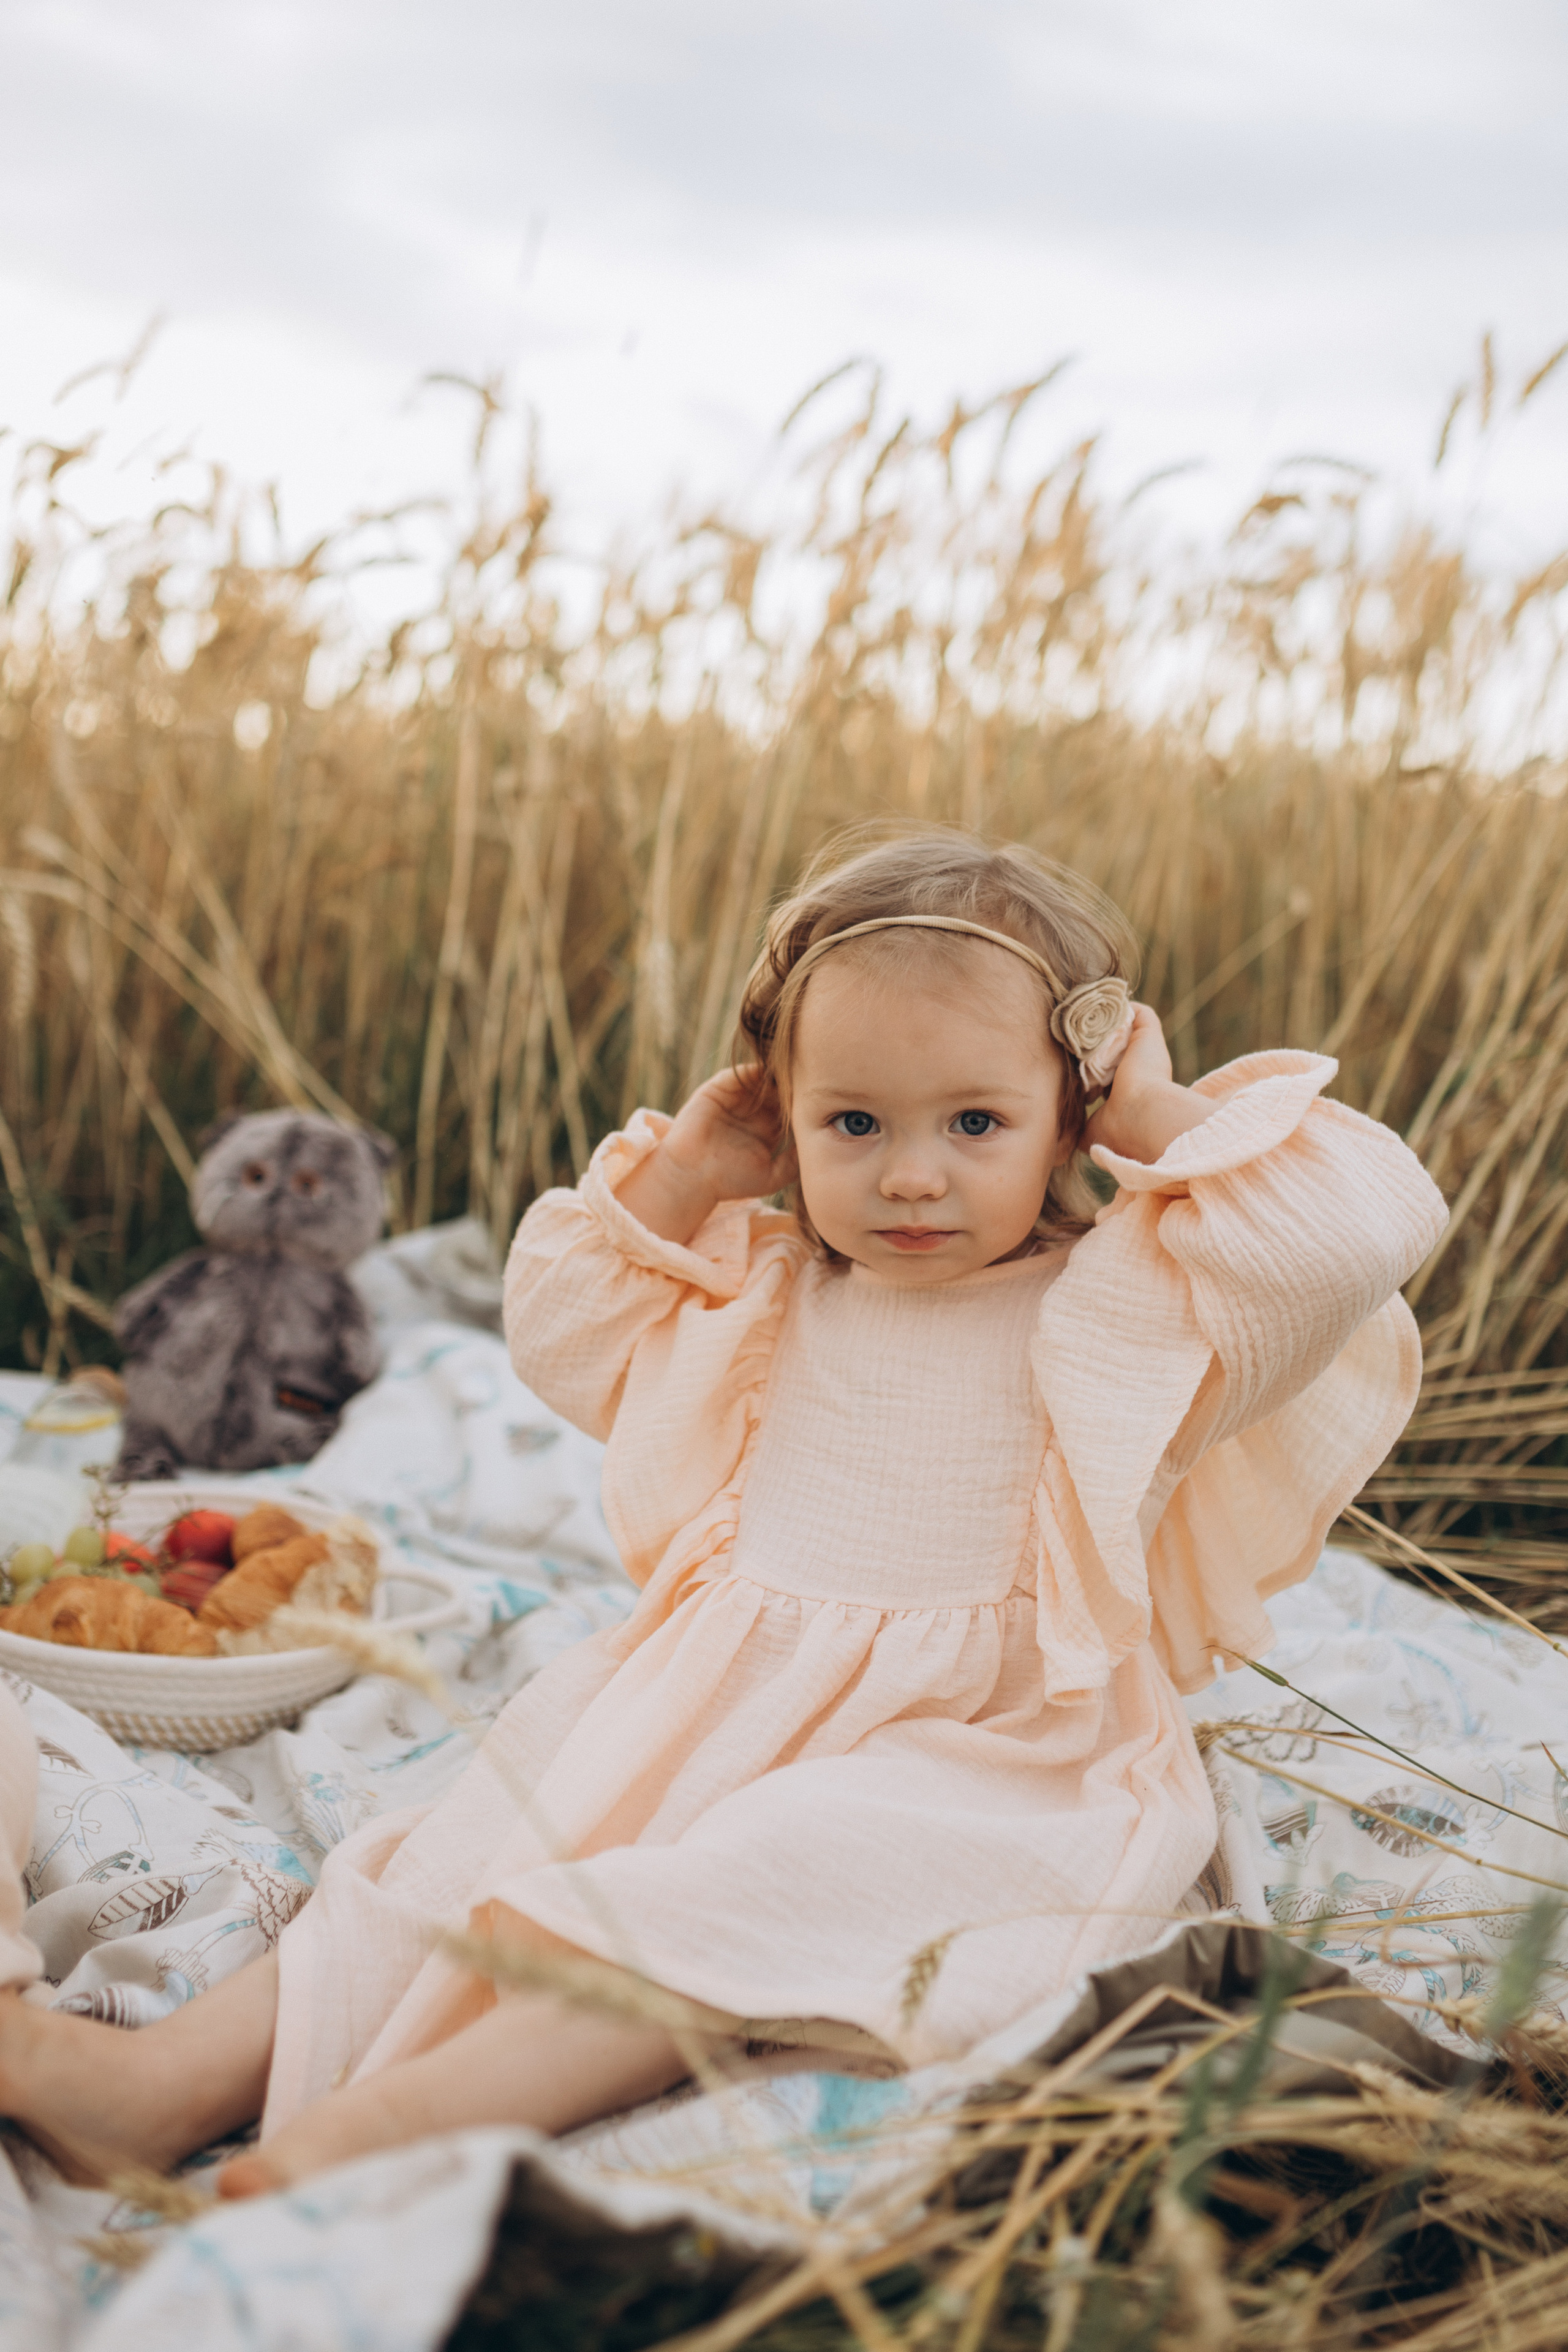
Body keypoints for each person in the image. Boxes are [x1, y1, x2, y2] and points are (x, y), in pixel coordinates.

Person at [0, 829, 1446, 2195]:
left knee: (734, 1898)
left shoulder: (1124, 1300)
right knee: (444, 1868)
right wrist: (691, 1170)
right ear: (784, 1112)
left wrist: (1158, 1114)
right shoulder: (764, 1289)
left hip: (992, 1745)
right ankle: (173, 2080)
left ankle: (387, 2130)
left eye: (976, 1121)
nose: (912, 1171)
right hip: (712, 1698)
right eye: (853, 1120)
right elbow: (558, 1323)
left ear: (1069, 1112)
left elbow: (1355, 1235)